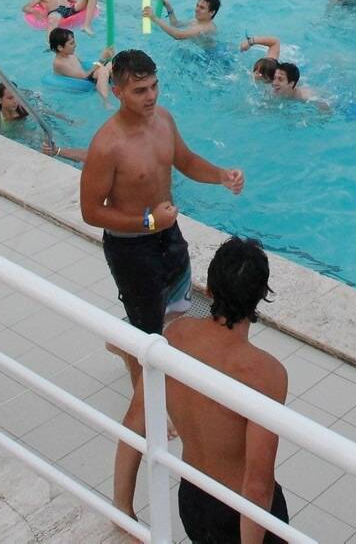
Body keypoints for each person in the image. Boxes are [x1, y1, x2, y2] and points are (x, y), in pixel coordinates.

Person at [78, 48, 245, 522]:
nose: (150, 97)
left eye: (154, 87)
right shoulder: (107, 144)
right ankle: (122, 502)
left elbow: (185, 160)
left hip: (169, 239)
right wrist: (146, 220)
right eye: (139, 90)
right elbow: (91, 212)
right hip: (133, 251)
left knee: (177, 320)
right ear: (118, 90)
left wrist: (221, 177)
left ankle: (129, 344)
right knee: (153, 354)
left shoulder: (163, 119)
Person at [163, 237, 290, 543]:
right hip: (241, 513)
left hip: (192, 496)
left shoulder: (176, 334)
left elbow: (139, 416)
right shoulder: (265, 373)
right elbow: (257, 485)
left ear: (209, 289)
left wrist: (123, 505)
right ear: (260, 296)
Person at [50, 29, 114, 104]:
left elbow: (83, 65)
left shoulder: (71, 54)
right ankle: (106, 102)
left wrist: (105, 60)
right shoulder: (59, 63)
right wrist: (102, 59)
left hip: (87, 75)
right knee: (102, 71)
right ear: (60, 48)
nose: (75, 45)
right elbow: (84, 76)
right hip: (84, 80)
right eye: (71, 43)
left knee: (110, 64)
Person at [145, 0, 220, 42]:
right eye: (197, 5)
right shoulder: (196, 21)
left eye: (202, 8)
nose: (196, 9)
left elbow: (178, 35)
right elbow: (175, 25)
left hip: (209, 58)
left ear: (212, 12)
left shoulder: (205, 27)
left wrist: (154, 18)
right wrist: (169, 8)